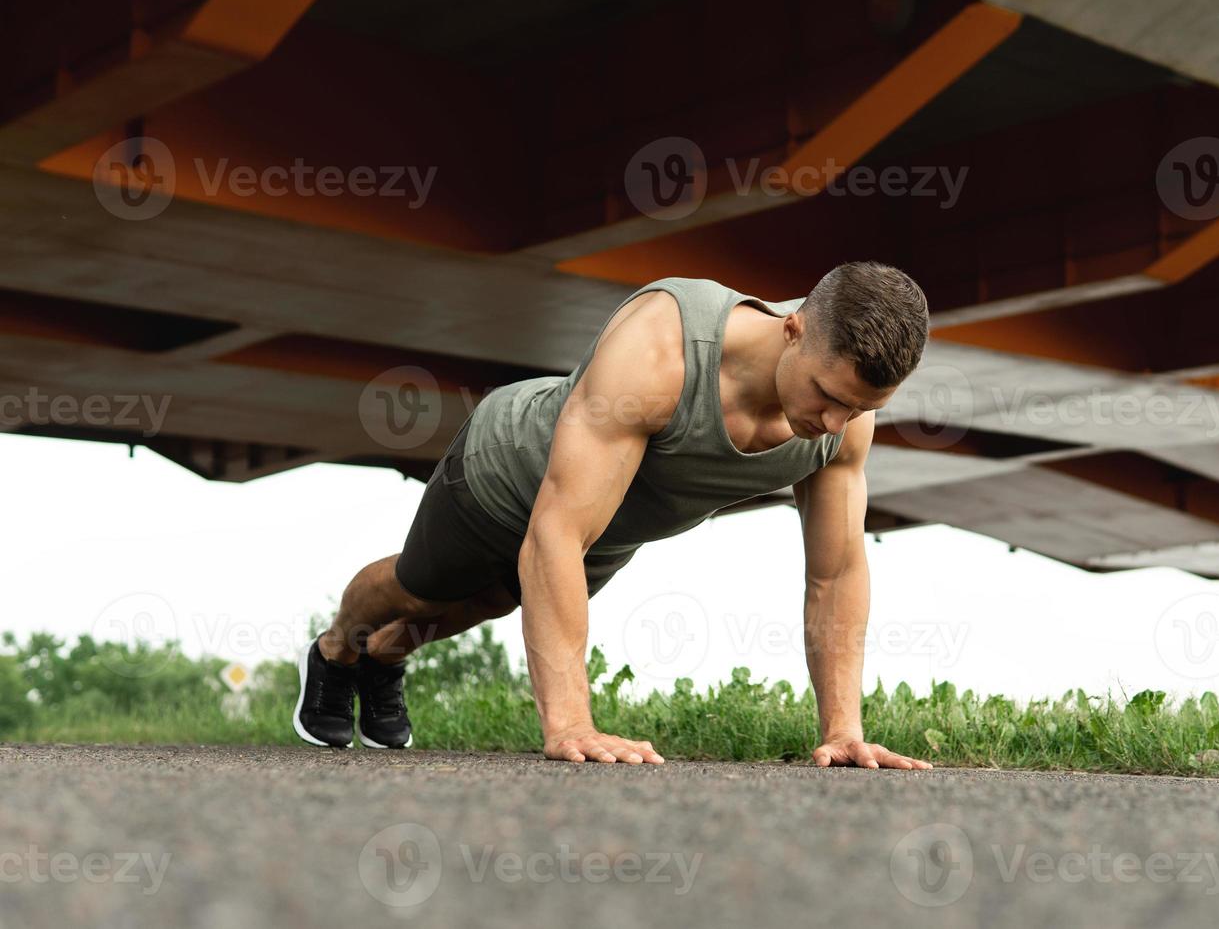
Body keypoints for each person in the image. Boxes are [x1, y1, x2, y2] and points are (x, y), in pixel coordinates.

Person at [293, 261, 935, 769]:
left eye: (854, 409)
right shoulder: (663, 349)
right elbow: (556, 530)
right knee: (421, 589)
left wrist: (844, 730)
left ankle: (383, 659)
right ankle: (336, 652)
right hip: (509, 469)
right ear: (792, 327)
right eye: (826, 396)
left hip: (611, 526)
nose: (833, 424)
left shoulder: (843, 424)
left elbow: (836, 571)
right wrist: (571, 723)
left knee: (484, 604)